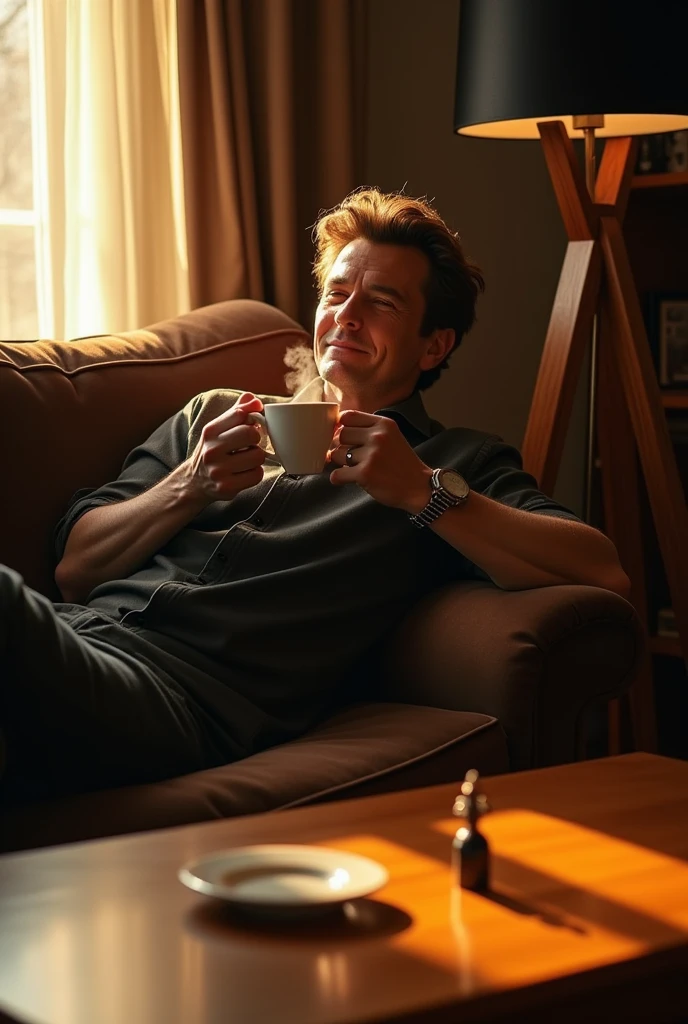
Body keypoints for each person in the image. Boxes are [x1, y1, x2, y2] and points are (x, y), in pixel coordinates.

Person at [0, 188, 630, 803]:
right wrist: (188, 485)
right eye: (337, 292)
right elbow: (75, 568)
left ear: (434, 343)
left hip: (174, 697)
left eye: (381, 301)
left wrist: (421, 492)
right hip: (72, 633)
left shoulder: (452, 461)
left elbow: (600, 567)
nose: (346, 316)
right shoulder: (213, 417)